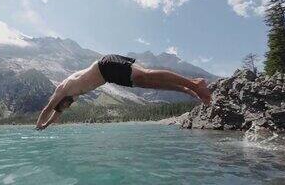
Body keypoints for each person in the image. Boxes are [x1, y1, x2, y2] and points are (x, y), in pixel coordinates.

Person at [35, 54, 212, 130]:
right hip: (109, 76)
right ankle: (187, 90)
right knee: (148, 84)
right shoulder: (70, 97)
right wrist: (47, 126)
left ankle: (195, 83)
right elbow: (56, 114)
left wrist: (38, 124)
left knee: (145, 76)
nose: (67, 107)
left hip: (105, 66)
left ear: (60, 100)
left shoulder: (62, 89)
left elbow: (48, 109)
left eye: (64, 106)